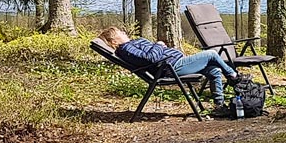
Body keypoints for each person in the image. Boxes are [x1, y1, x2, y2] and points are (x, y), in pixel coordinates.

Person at [98, 27, 240, 106]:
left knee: (214, 71)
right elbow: (151, 58)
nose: (124, 32)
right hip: (172, 67)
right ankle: (234, 76)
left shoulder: (129, 46)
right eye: (120, 33)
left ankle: (219, 105)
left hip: (174, 64)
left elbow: (150, 55)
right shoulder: (126, 49)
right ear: (114, 41)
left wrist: (159, 47)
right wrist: (158, 45)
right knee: (211, 54)